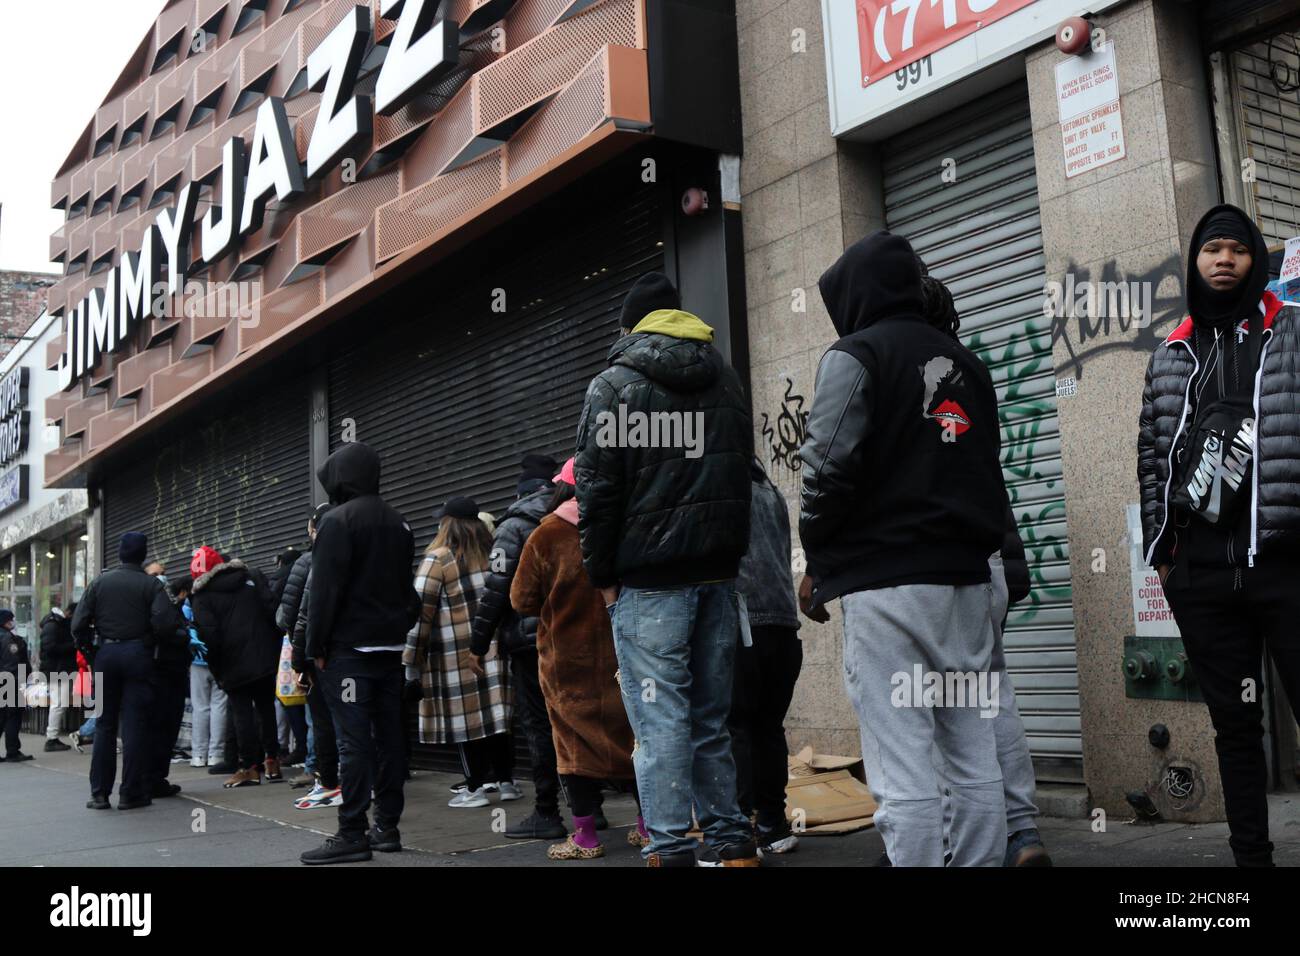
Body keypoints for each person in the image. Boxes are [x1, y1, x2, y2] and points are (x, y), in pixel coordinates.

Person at [797, 231, 1007, 867]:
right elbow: (985, 469)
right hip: (966, 585)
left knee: (901, 762)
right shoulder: (966, 363)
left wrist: (818, 555)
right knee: (973, 755)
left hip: (886, 587)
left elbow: (825, 469)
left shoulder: (856, 354)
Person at [574, 271, 756, 867]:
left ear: (629, 327)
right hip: (718, 576)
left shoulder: (614, 385)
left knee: (660, 720)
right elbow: (741, 472)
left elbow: (597, 488)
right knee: (710, 717)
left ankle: (672, 845)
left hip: (650, 581)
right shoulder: (724, 377)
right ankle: (731, 840)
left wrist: (602, 575)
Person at [1138, 203, 1300, 868]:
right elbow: (1152, 459)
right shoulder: (1171, 352)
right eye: (1212, 249)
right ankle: (1252, 862)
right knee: (1235, 727)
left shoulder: (1290, 332)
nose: (1225, 259)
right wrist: (1164, 558)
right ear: (1196, 261)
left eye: (1237, 248)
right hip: (1203, 576)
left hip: (1285, 564)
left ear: (1254, 258)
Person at [918, 268, 1051, 867]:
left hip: (934, 565)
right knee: (992, 691)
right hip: (987, 557)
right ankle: (1020, 831)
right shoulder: (970, 372)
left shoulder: (905, 375)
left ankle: (957, 837)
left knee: (936, 705)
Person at [511, 458, 647, 860]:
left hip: (566, 661)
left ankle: (586, 837)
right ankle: (646, 826)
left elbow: (520, 599)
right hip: (624, 655)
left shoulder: (547, 534)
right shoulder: (624, 526)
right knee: (633, 739)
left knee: (572, 748)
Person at [301, 441, 421, 865]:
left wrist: (314, 647)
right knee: (389, 739)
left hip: (348, 651)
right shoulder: (400, 522)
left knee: (354, 742)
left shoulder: (337, 522)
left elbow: (323, 592)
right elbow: (408, 592)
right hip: (390, 650)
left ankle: (351, 831)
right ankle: (386, 827)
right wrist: (400, 624)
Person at [469, 452, 573, 839]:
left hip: (531, 643)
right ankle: (589, 808)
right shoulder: (574, 514)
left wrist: (478, 643)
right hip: (577, 635)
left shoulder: (513, 525)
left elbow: (496, 590)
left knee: (539, 724)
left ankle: (547, 811)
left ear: (520, 490)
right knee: (577, 719)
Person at [406, 496, 517, 808]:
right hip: (495, 650)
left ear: (447, 525)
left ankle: (475, 788)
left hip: (454, 656)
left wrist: (411, 660)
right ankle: (507, 783)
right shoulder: (495, 554)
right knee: (497, 719)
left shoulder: (438, 559)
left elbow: (420, 614)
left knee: (466, 723)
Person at [727, 457, 803, 857]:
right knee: (768, 728)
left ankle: (739, 830)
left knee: (735, 727)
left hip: (742, 620)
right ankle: (773, 825)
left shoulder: (721, 485)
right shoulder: (771, 491)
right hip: (783, 623)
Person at [72, 532, 176, 809]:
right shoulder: (151, 585)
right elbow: (166, 623)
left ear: (120, 553)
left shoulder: (100, 582)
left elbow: (78, 624)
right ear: (143, 555)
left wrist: (91, 652)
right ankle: (131, 792)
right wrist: (150, 642)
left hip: (106, 655)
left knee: (104, 724)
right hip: (138, 655)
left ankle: (99, 793)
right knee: (135, 725)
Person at [189, 545, 283, 789]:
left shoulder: (202, 596)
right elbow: (273, 610)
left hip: (232, 662)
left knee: (242, 714)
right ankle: (272, 761)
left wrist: (217, 666)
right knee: (266, 708)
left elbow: (209, 637)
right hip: (264, 656)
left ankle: (249, 767)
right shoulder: (251, 577)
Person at [278, 503, 341, 807]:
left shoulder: (308, 561)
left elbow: (290, 615)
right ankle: (360, 781)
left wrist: (300, 660)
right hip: (354, 654)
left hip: (320, 656)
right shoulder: (360, 554)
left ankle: (328, 781)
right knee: (355, 720)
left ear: (313, 528)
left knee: (323, 719)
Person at [145, 576, 192, 799]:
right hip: (168, 671)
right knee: (165, 726)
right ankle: (155, 779)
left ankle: (150, 778)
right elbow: (168, 631)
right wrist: (185, 635)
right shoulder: (165, 606)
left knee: (156, 727)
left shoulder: (155, 604)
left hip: (159, 671)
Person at [180, 573, 227, 769]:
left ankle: (198, 754)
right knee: (219, 706)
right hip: (220, 659)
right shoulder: (221, 598)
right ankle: (216, 754)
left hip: (197, 660)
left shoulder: (189, 604)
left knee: (200, 707)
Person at [39, 604, 77, 752]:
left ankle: (52, 736)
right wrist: (73, 645)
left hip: (59, 669)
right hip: (57, 670)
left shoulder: (56, 624)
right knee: (59, 704)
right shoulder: (53, 625)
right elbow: (50, 648)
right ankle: (51, 738)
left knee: (60, 704)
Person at [0, 609, 32, 763]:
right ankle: (12, 751)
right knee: (13, 716)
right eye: (11, 619)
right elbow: (12, 663)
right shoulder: (8, 639)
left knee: (1, 716)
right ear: (6, 622)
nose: (13, 622)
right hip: (9, 681)